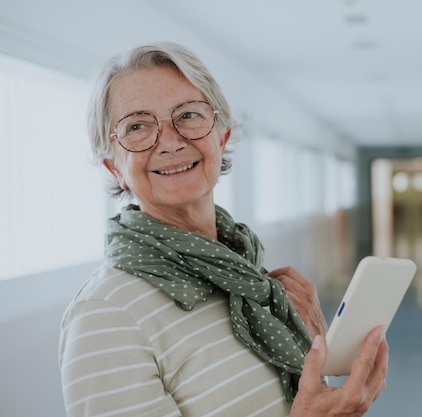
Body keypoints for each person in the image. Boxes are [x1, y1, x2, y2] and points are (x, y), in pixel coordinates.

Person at [59, 41, 388, 417]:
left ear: (222, 136)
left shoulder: (245, 275)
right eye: (136, 126)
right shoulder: (105, 316)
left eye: (188, 115)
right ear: (113, 166)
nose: (170, 141)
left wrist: (316, 346)